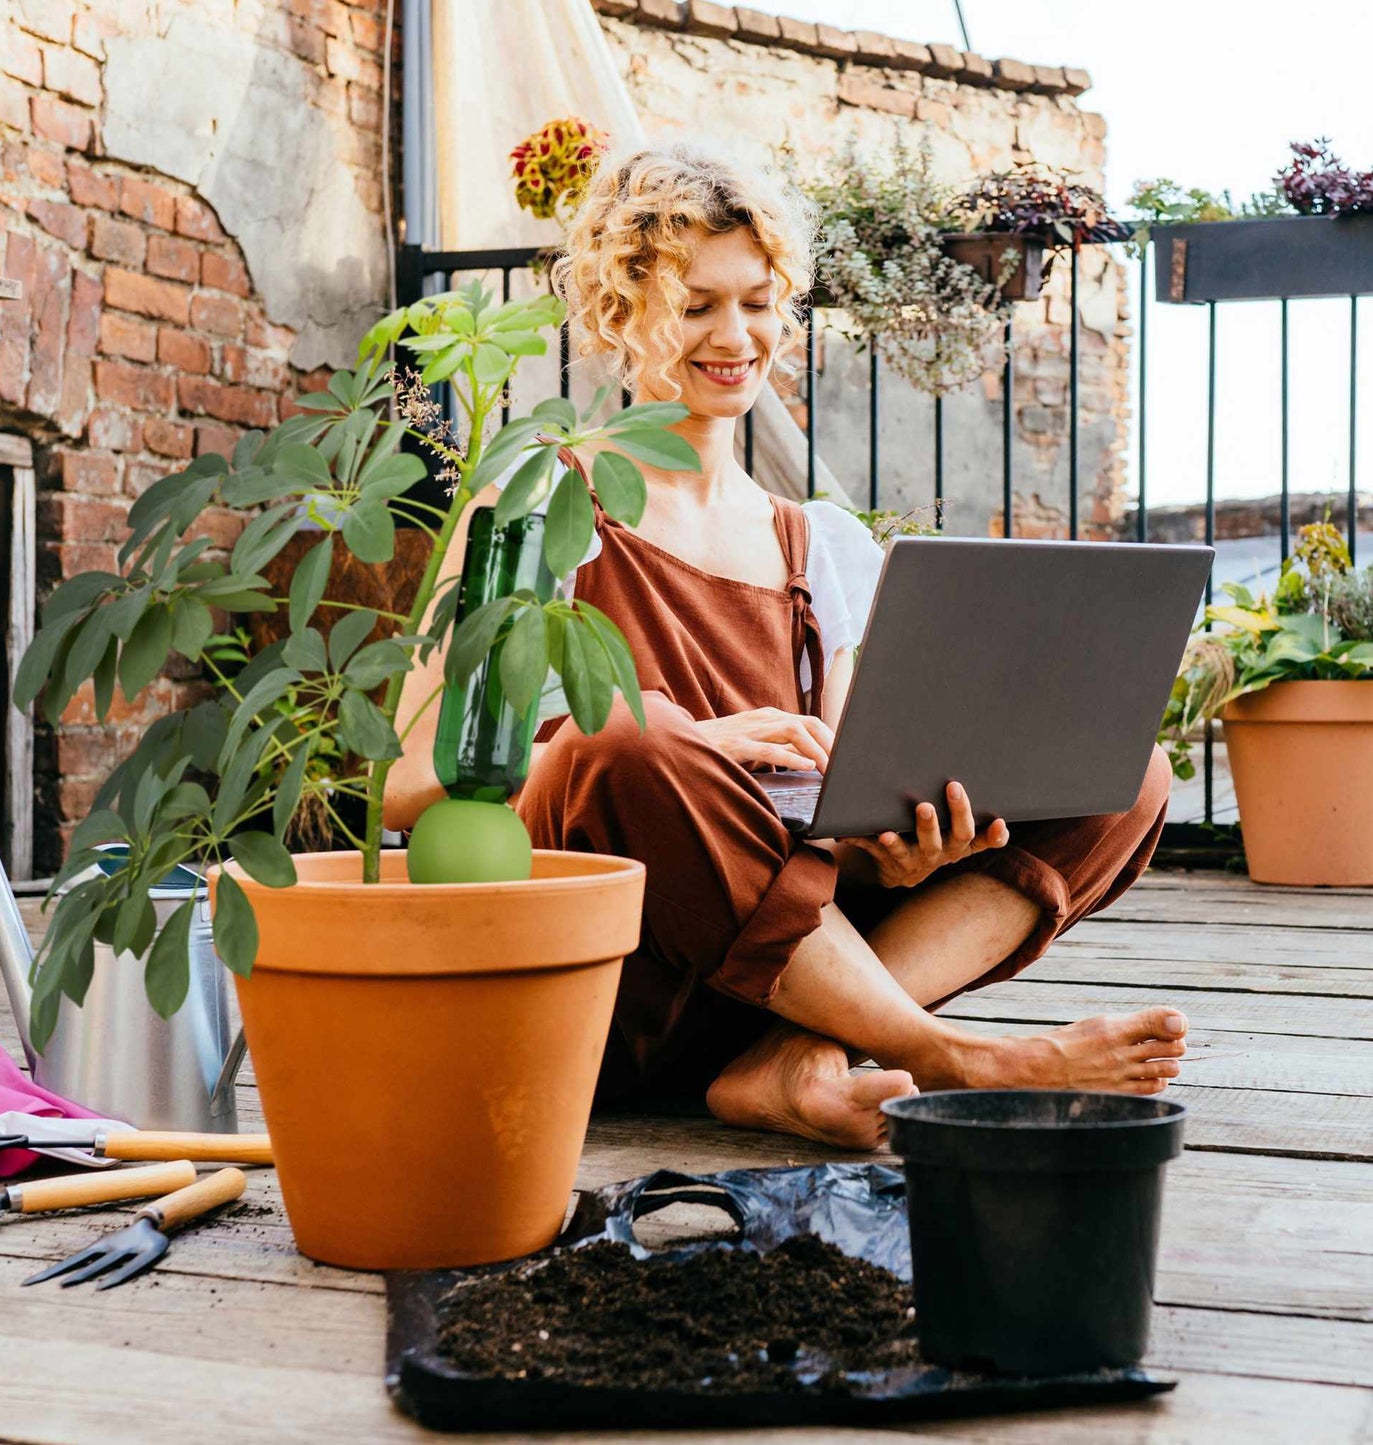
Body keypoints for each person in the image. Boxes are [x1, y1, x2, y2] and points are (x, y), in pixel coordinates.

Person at [385, 142, 1184, 1151]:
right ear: (615, 315)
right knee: (621, 745)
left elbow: (841, 803)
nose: (735, 337)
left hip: (781, 981)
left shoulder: (820, 544)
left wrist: (897, 844)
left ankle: (795, 1056)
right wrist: (696, 745)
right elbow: (408, 783)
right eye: (695, 305)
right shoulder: (536, 505)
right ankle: (944, 1053)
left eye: (758, 302)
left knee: (1127, 773)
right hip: (617, 986)